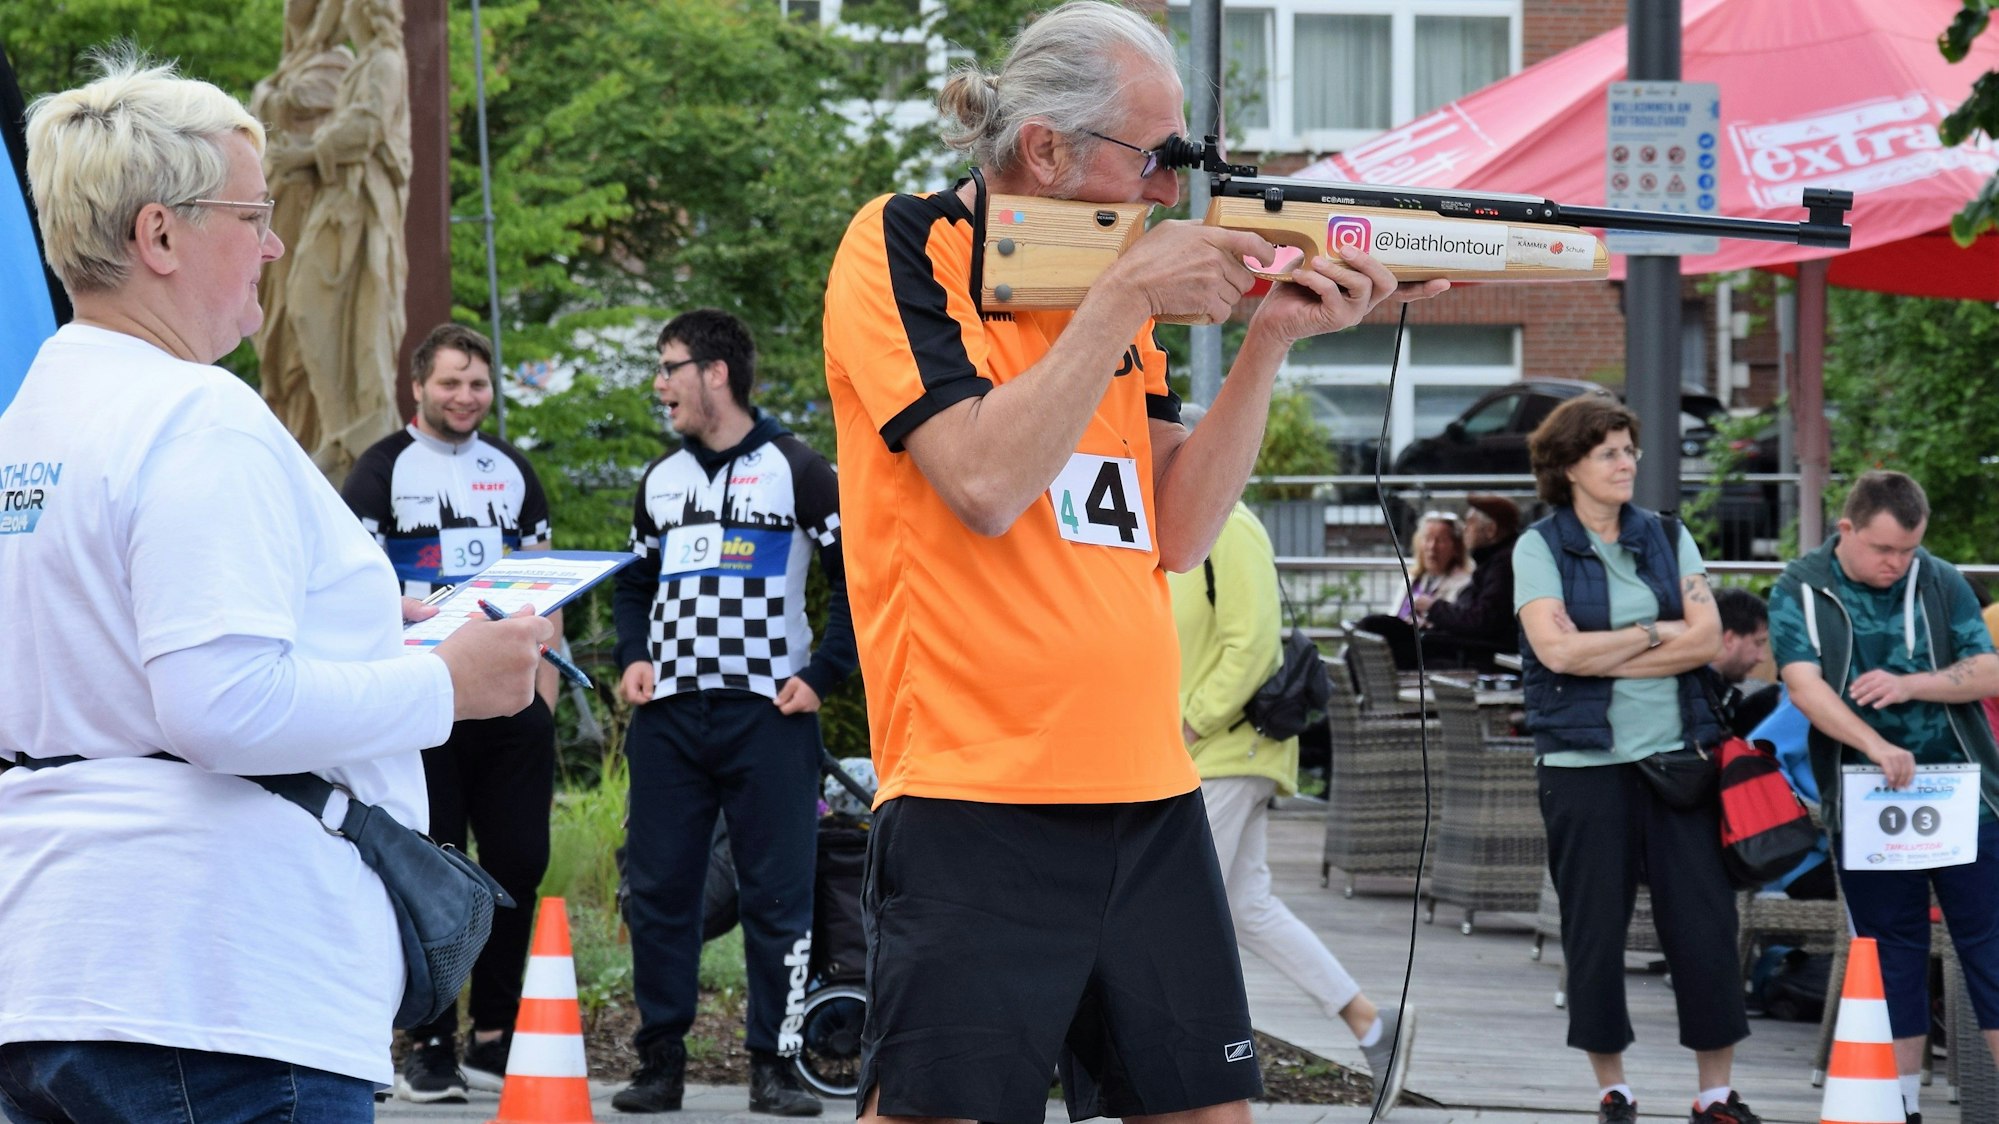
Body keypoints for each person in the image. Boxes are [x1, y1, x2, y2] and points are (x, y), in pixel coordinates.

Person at [819, 3, 1446, 1120]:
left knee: (1209, 1109)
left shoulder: (1107, 285)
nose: (1168, 188)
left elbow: (1175, 532)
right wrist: (1122, 297)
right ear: (1044, 148)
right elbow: (981, 481)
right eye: (1154, 157)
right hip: (976, 787)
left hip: (1149, 785)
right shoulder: (908, 242)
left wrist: (1269, 340)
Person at [0, 52, 547, 1124]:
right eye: (252, 215)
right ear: (159, 236)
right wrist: (448, 682)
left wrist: (354, 626)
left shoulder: (29, 426)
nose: (275, 242)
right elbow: (221, 703)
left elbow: (98, 659)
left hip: (49, 968)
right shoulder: (196, 414)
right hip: (221, 990)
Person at [611, 308, 857, 1116]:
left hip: (768, 716)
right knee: (658, 893)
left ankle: (773, 1066)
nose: (660, 384)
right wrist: (632, 656)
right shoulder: (660, 479)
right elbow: (632, 584)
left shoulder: (799, 468)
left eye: (669, 367)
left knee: (777, 896)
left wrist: (823, 674)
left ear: (715, 373)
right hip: (669, 719)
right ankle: (659, 1065)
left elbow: (858, 579)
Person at [1513, 395, 1758, 1124]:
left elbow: (1706, 639)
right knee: (1594, 932)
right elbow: (1555, 653)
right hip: (1581, 769)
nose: (1627, 464)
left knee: (1706, 926)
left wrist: (1608, 651)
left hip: (1679, 763)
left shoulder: (1669, 536)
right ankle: (1612, 1090)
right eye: (1609, 453)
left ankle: (1715, 1095)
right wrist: (1657, 633)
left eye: (1629, 450)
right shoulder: (1538, 548)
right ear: (1568, 466)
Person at [341, 321, 559, 1102]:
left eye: (477, 383)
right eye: (450, 383)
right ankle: (428, 1043)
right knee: (432, 863)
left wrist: (543, 694)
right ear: (418, 387)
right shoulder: (379, 472)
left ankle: (495, 1035)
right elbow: (354, 593)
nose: (465, 397)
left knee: (518, 862)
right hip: (421, 701)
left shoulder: (513, 470)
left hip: (510, 705)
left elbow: (545, 589)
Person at [1169, 498, 1416, 1118]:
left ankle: (1204, 1071)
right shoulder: (1173, 520)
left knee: (1173, 915)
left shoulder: (1226, 522)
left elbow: (1253, 648)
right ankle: (1370, 1024)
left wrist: (1187, 726)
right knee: (1244, 907)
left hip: (1224, 752)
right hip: (1209, 754)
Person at [1769, 470, 1999, 1124]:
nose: (1896, 563)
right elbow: (1804, 687)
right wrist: (1873, 744)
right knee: (1890, 953)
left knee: (1989, 948)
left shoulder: (1939, 578)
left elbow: (1989, 668)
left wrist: (1910, 684)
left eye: (1908, 549)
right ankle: (1899, 1107)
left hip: (1966, 794)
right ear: (1846, 529)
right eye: (1883, 549)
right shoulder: (1800, 587)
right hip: (1866, 796)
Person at [284, 0, 409, 482]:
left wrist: (306, 154)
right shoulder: (365, 64)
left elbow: (367, 128)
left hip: (360, 209)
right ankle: (340, 435)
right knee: (310, 312)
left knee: (350, 319)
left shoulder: (386, 62)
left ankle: (357, 440)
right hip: (340, 202)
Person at [1708, 587, 1777, 737]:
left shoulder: (1711, 697)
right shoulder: (1697, 703)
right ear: (1729, 639)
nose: (1761, 657)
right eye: (1758, 643)